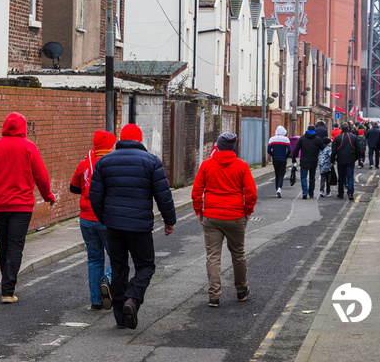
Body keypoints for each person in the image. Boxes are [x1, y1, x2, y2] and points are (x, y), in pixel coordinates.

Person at [90, 123, 176, 330]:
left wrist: (105, 218)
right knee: (145, 266)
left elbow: (95, 196)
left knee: (119, 267)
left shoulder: (104, 161)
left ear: (121, 139)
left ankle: (120, 317)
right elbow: (163, 196)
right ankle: (132, 299)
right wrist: (169, 220)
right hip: (140, 226)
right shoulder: (152, 161)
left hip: (114, 226)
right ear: (139, 140)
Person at [0, 112, 55, 303]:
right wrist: (48, 196)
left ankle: (5, 284)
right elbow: (42, 176)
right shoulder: (29, 147)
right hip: (21, 206)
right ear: (23, 128)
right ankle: (8, 289)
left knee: (4, 245)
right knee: (15, 246)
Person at [192, 132, 257, 308]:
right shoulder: (242, 166)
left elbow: (197, 190)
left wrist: (199, 210)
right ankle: (242, 290)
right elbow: (251, 192)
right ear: (233, 147)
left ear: (218, 146)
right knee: (238, 254)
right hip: (236, 216)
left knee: (213, 256)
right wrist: (247, 211)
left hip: (212, 216)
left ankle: (214, 296)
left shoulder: (207, 165)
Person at [70, 130, 116, 310]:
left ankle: (96, 301)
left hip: (86, 218)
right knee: (117, 256)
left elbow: (73, 188)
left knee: (94, 259)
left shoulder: (84, 163)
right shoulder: (113, 163)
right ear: (110, 145)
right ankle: (108, 279)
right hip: (107, 217)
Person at [291, 125, 324, 199]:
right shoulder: (317, 139)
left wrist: (294, 159)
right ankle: (311, 193)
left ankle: (305, 192)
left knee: (303, 177)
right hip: (314, 161)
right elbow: (322, 148)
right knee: (312, 178)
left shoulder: (302, 138)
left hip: (304, 160)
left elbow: (296, 149)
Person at [331, 122, 359, 201]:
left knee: (341, 177)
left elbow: (334, 151)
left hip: (341, 160)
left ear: (341, 129)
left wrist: (332, 160)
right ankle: (350, 192)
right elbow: (359, 149)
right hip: (351, 160)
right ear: (349, 128)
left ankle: (341, 193)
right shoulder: (354, 137)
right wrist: (355, 158)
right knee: (350, 177)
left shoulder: (337, 138)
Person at [267, 126, 291, 197]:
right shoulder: (286, 139)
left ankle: (276, 190)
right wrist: (286, 156)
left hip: (275, 159)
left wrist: (273, 155)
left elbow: (268, 150)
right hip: (283, 159)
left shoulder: (272, 139)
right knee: (281, 174)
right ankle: (279, 188)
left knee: (277, 174)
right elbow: (289, 150)